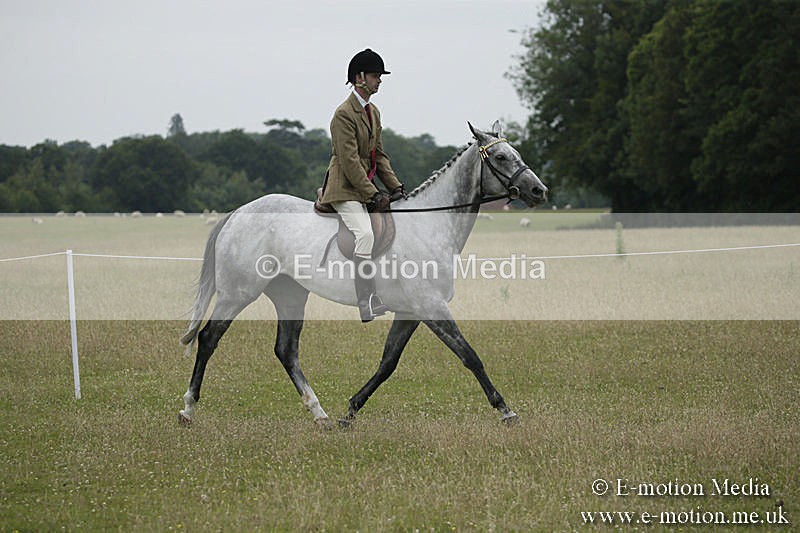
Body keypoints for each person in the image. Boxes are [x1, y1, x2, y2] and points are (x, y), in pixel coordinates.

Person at [320, 49, 406, 322]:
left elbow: (378, 155)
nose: (379, 80)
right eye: (375, 75)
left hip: (364, 187)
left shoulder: (373, 112)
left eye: (379, 76)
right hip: (345, 188)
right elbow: (349, 161)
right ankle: (366, 300)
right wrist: (373, 194)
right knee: (365, 235)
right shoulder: (343, 114)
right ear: (359, 78)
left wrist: (396, 188)